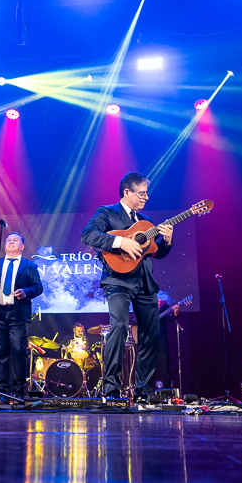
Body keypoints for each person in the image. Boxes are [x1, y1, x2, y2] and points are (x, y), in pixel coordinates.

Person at [81, 172, 174, 402]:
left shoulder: (146, 221)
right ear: (127, 192)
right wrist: (121, 241)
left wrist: (168, 241)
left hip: (144, 283)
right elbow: (88, 235)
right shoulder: (107, 212)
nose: (146, 197)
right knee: (120, 327)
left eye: (146, 193)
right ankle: (111, 389)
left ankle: (143, 390)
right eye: (142, 193)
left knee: (151, 334)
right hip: (117, 281)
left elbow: (157, 252)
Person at [0, 232, 44, 400]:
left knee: (18, 351)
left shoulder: (29, 266)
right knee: (0, 352)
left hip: (18, 314)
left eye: (15, 240)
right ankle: (1, 390)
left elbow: (38, 287)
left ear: (22, 246)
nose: (11, 242)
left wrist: (26, 292)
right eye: (8, 240)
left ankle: (18, 390)